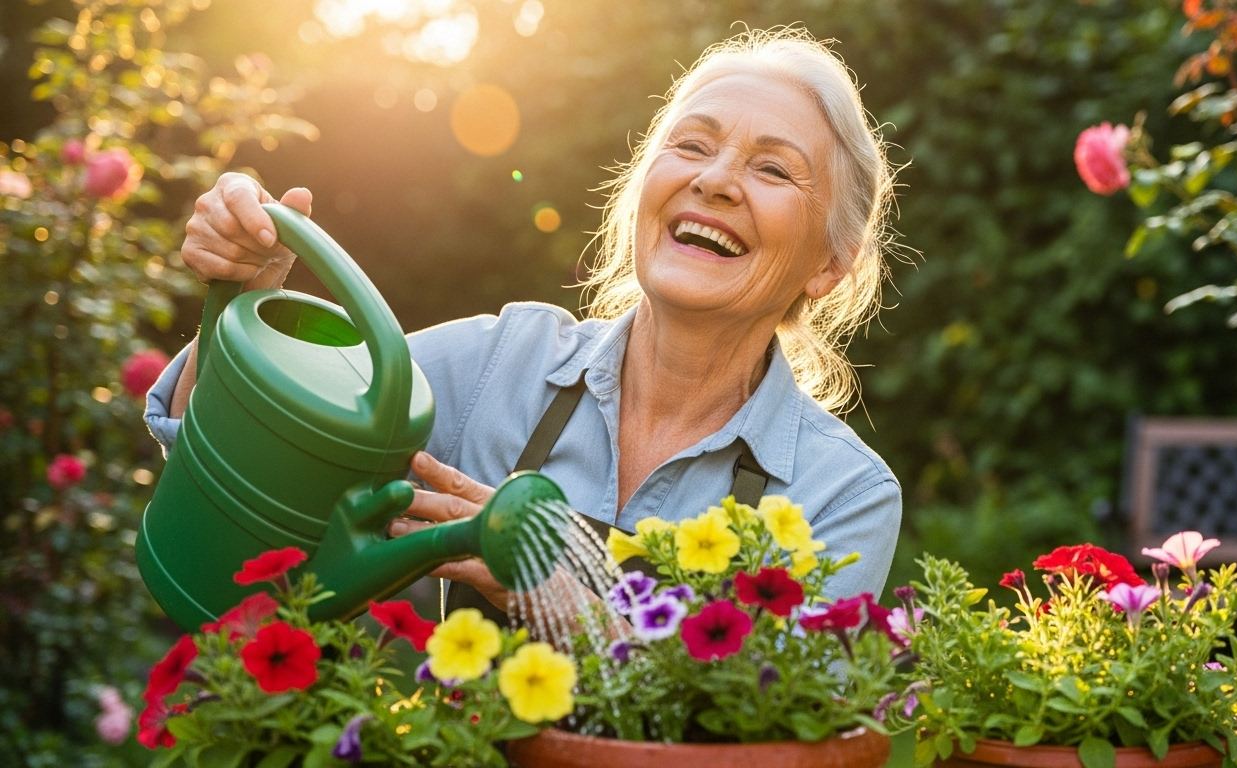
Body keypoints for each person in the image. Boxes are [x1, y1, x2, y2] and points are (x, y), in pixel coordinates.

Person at [144, 28, 903, 617]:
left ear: (829, 264)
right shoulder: (498, 364)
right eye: (692, 145)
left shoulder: (840, 494)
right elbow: (236, 484)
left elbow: (776, 739)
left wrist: (570, 598)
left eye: (771, 169)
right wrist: (247, 296)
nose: (713, 179)